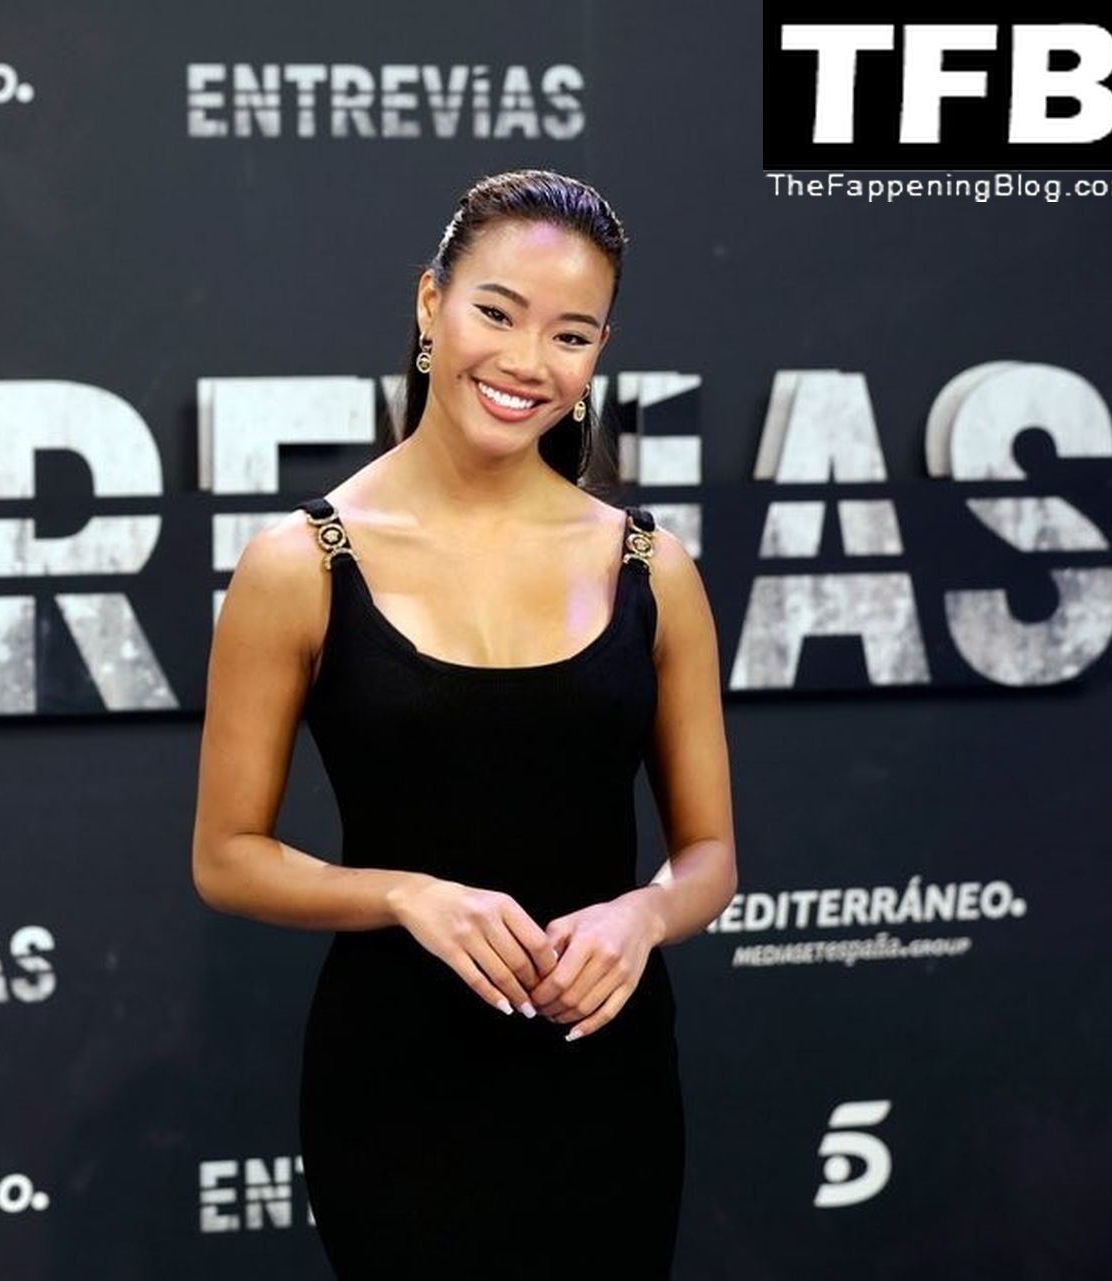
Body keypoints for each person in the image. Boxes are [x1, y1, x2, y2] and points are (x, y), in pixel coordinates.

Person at [191, 169, 737, 1277]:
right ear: (430, 303)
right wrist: (406, 893)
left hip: (606, 1073)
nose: (529, 361)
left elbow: (710, 856)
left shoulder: (651, 567)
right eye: (498, 312)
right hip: (397, 1083)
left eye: (570, 335)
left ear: (599, 355)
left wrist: (641, 917)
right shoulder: (301, 564)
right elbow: (227, 857)